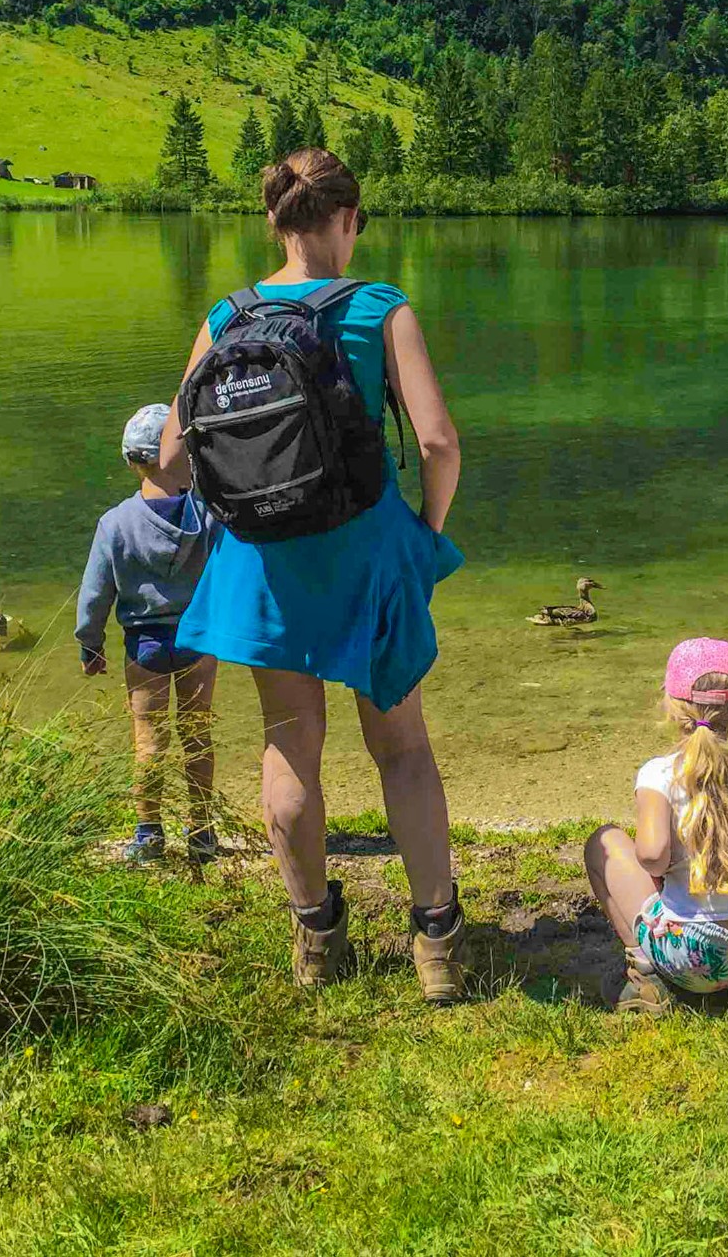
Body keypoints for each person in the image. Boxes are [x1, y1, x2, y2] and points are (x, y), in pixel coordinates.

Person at [158, 148, 469, 1001]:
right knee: (401, 748)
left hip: (263, 567)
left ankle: (318, 938)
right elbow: (440, 445)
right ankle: (436, 940)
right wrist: (422, 537)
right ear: (349, 219)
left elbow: (173, 454)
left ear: (273, 222)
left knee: (289, 745)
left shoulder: (228, 315)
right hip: (367, 557)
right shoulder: (379, 308)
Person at [583, 638, 728, 1015]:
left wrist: (670, 869)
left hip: (688, 954)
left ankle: (646, 976)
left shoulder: (659, 774)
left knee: (604, 842)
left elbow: (651, 857)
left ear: (671, 705)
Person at [75, 403, 219, 865]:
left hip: (145, 645)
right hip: (199, 636)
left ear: (132, 461)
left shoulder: (115, 523)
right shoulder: (208, 515)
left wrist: (89, 643)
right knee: (197, 733)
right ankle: (201, 831)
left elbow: (95, 593)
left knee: (148, 740)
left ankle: (148, 833)